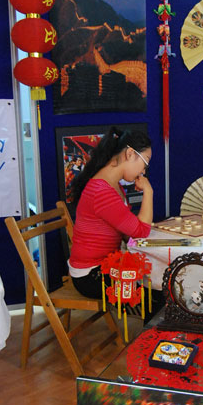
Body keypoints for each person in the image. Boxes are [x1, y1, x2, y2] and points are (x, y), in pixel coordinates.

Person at [68, 126, 153, 298]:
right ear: (130, 154)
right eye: (145, 163)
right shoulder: (102, 191)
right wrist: (148, 191)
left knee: (155, 281)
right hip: (91, 275)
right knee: (155, 293)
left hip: (104, 266)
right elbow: (141, 231)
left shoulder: (113, 185)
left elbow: (129, 232)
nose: (143, 171)